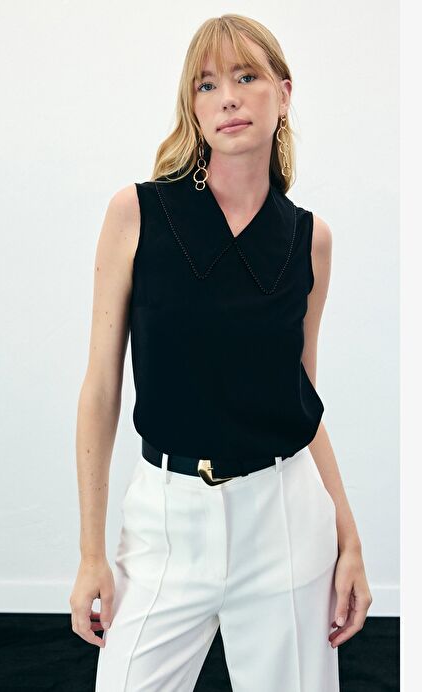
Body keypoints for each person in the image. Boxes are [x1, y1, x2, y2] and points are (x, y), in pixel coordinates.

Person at [69, 13, 373, 692]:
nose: (228, 98)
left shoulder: (310, 240)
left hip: (285, 521)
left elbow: (301, 398)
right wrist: (91, 552)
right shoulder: (137, 214)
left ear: (283, 94)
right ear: (193, 107)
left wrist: (348, 537)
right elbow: (100, 389)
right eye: (207, 85)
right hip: (167, 521)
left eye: (245, 76)